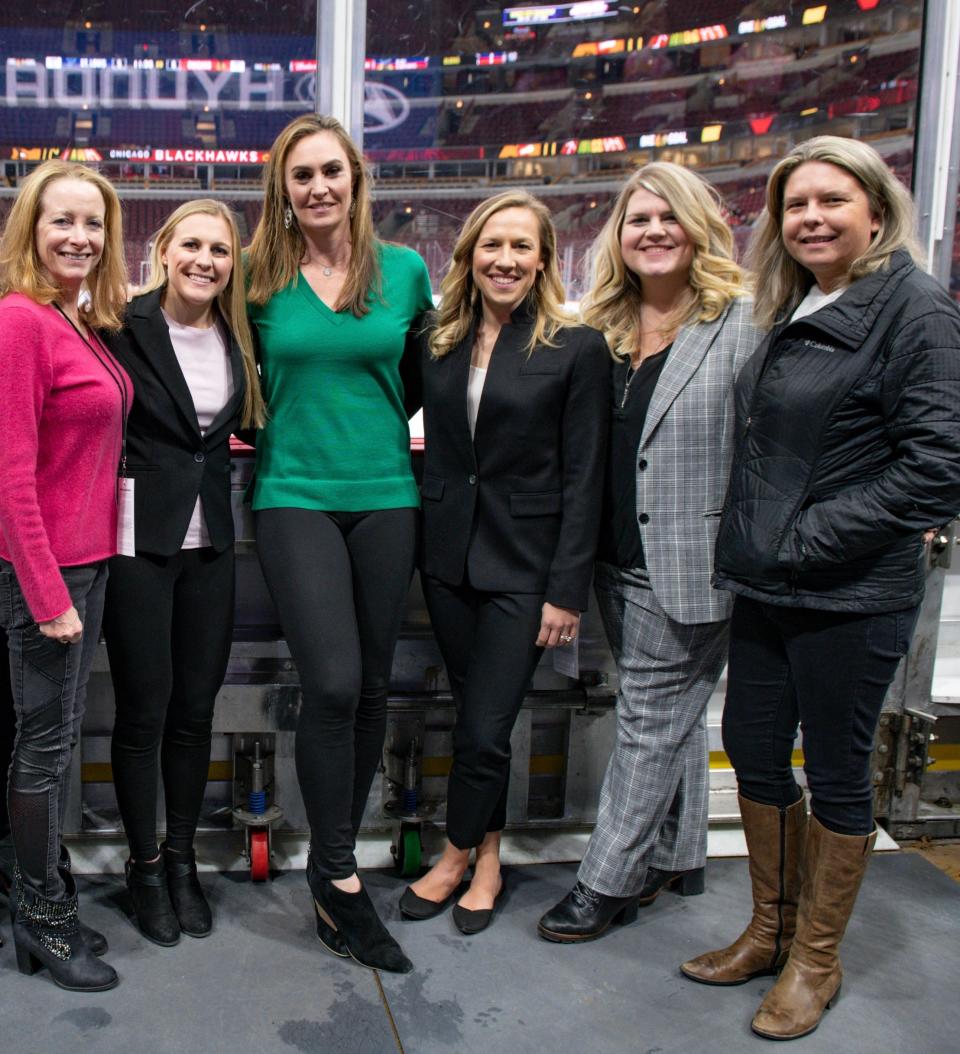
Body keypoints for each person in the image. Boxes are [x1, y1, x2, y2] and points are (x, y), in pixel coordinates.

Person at [680, 136, 960, 1041]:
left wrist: (804, 539)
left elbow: (938, 466)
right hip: (774, 582)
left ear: (877, 211)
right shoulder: (800, 298)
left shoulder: (915, 308)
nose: (811, 218)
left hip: (851, 589)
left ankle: (817, 960)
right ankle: (769, 928)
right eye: (796, 205)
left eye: (832, 201)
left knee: (837, 771)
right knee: (753, 744)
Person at [536, 163, 759, 943]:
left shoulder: (742, 323)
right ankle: (677, 853)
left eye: (670, 217)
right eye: (638, 220)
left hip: (694, 559)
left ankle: (607, 882)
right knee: (669, 713)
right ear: (617, 237)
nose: (654, 231)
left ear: (700, 227)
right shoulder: (601, 325)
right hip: (613, 558)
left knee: (649, 717)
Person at [245, 114, 432, 974]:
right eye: (301, 175)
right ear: (282, 190)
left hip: (388, 496)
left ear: (356, 179)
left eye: (331, 171)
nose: (318, 187)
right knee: (331, 680)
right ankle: (335, 876)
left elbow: (433, 385)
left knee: (368, 695)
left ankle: (337, 867)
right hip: (295, 498)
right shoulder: (256, 281)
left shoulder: (404, 272)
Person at [398, 191, 609, 934]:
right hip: (449, 558)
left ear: (545, 259)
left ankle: (455, 856)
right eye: (492, 246)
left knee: (486, 727)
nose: (505, 260)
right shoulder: (439, 340)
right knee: (474, 716)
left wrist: (566, 590)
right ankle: (490, 857)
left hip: (525, 567)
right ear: (468, 258)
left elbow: (587, 477)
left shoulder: (575, 348)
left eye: (522, 247)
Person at [101, 200, 265, 946]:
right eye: (191, 245)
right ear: (163, 249)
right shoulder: (120, 324)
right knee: (144, 713)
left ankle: (182, 864)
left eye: (220, 250)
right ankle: (141, 866)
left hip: (211, 547)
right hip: (138, 543)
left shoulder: (238, 334)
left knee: (195, 712)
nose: (205, 260)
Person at [0, 160, 131, 990]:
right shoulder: (20, 320)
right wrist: (48, 596)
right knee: (43, 751)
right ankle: (41, 916)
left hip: (86, 565)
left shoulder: (73, 320)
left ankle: (42, 896)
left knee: (53, 741)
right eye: (62, 222)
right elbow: (10, 472)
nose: (79, 237)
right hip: (45, 576)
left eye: (93, 223)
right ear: (31, 231)